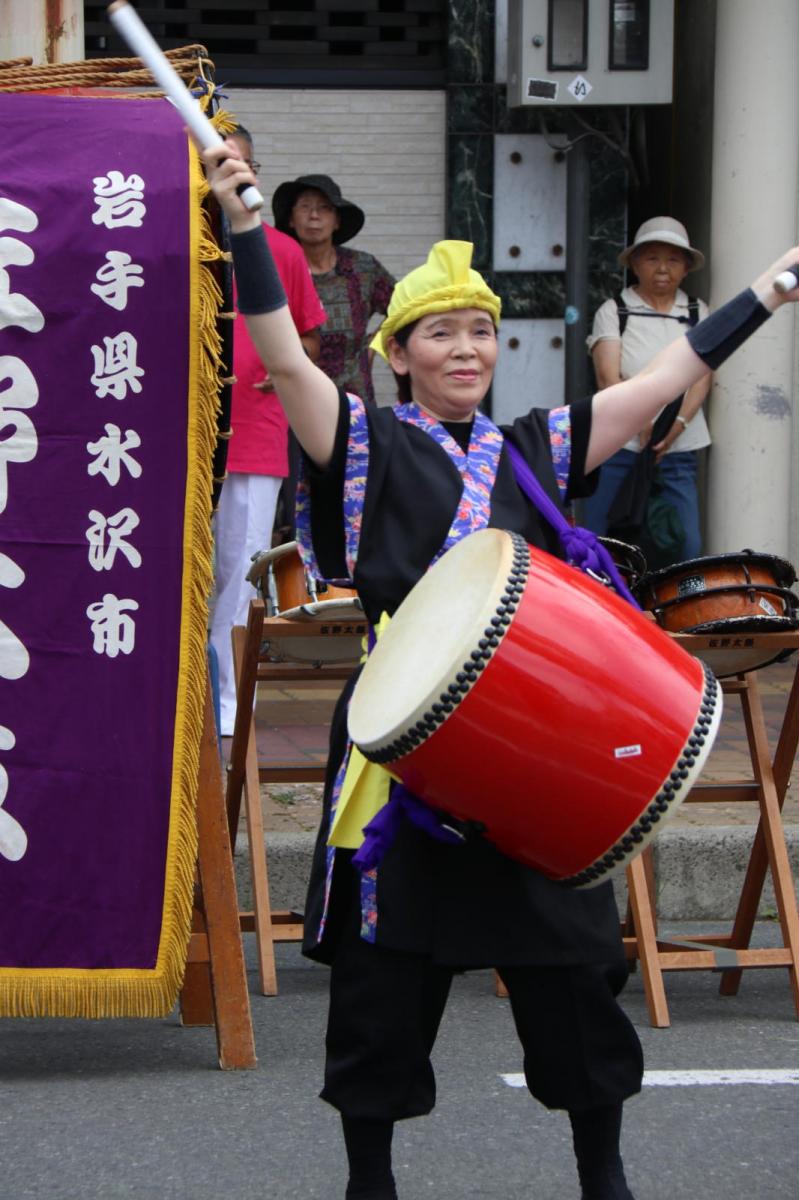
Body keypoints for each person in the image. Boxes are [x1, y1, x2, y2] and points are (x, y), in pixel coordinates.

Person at [202, 137, 799, 1200]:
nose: (466, 348)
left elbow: (668, 379)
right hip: (403, 767)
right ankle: (370, 1183)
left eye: (480, 330)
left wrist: (765, 291)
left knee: (576, 971)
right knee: (382, 996)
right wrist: (245, 227)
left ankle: (603, 1178)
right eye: (441, 333)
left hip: (531, 753)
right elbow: (283, 355)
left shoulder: (534, 445)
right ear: (398, 353)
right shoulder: (362, 446)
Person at [209, 128, 327, 737]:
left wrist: (282, 372)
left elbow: (308, 337)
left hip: (253, 433)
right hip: (174, 438)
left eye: (242, 163)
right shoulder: (164, 240)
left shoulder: (279, 248)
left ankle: (231, 701)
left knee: (237, 571)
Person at [581, 217, 712, 566]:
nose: (663, 269)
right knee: (598, 535)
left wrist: (675, 428)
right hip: (618, 444)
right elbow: (608, 377)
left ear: (686, 268)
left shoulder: (698, 313)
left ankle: (675, 614)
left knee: (685, 543)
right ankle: (599, 607)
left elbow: (702, 378)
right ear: (635, 264)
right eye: (652, 258)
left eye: (673, 260)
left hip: (678, 449)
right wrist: (641, 423)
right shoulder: (614, 311)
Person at [271, 173, 395, 406]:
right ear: (291, 220)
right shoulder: (278, 270)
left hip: (355, 398)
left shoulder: (363, 268)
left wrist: (375, 344)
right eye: (305, 207)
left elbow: (404, 305)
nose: (314, 216)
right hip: (297, 399)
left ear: (337, 220)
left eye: (324, 208)